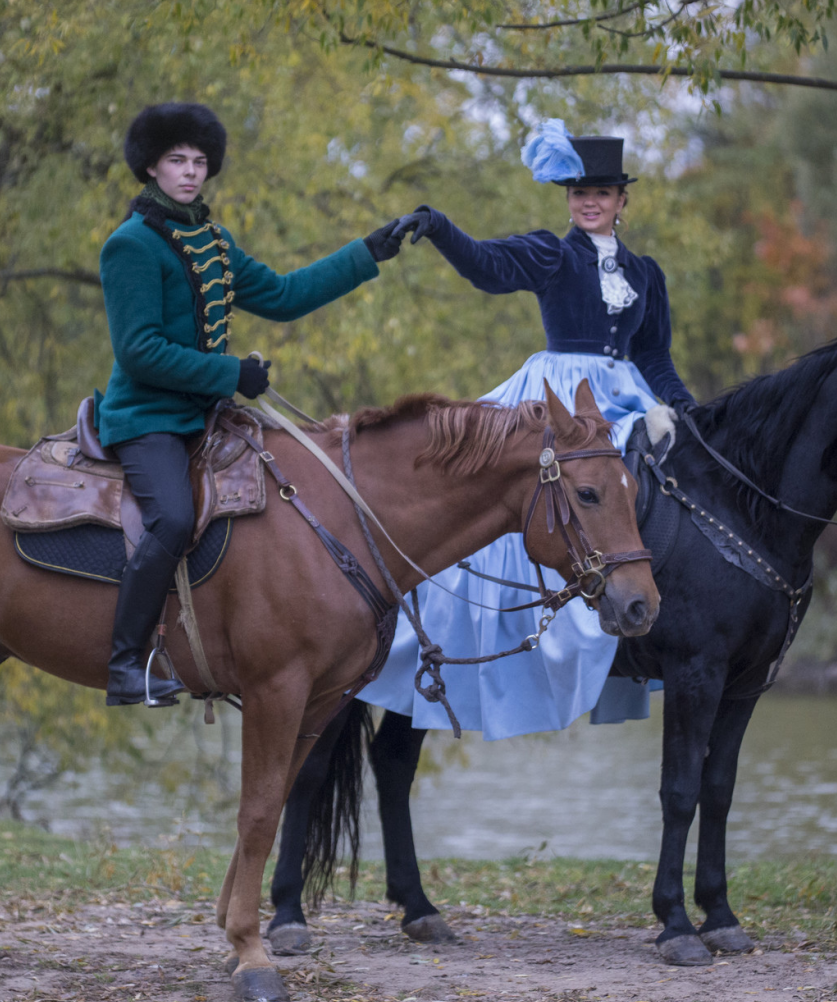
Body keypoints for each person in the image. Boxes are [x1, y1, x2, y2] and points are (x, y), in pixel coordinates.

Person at [354, 120, 696, 739]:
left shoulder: (646, 274)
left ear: (622, 201)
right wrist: (439, 227)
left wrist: (686, 409)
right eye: (577, 193)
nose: (588, 202)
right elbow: (487, 267)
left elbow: (656, 358)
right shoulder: (553, 254)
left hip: (629, 395)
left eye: (602, 192)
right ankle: (515, 638)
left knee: (669, 483)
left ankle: (649, 630)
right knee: (561, 492)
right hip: (567, 397)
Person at [99, 102, 410, 706]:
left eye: (198, 161)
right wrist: (230, 371)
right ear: (150, 168)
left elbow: (286, 296)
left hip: (206, 414)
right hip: (149, 418)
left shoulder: (213, 240)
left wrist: (368, 252)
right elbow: (139, 352)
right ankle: (123, 665)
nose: (190, 172)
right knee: (170, 519)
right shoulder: (130, 245)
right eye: (176, 161)